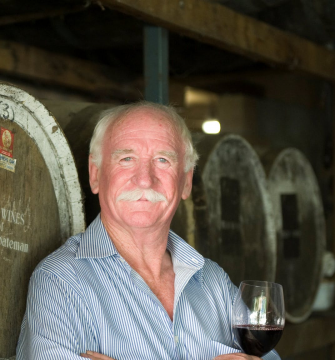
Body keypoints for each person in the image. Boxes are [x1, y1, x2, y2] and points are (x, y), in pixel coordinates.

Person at [15, 101, 280, 360]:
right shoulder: (60, 282)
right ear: (95, 175)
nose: (144, 178)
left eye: (163, 160)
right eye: (127, 158)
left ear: (186, 182)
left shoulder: (212, 282)